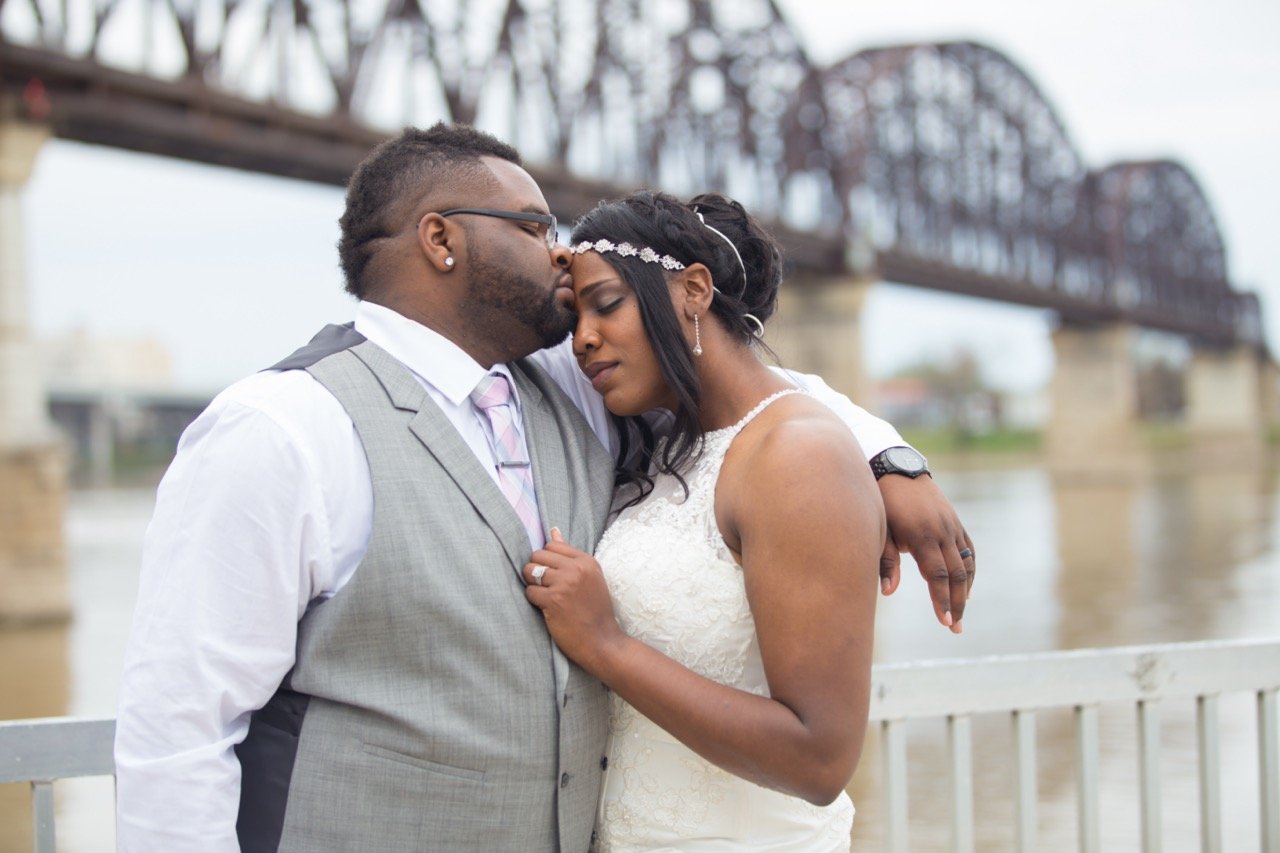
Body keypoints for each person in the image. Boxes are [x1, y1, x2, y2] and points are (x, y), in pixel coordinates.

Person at [113, 123, 973, 852]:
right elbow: (176, 735)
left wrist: (887, 456)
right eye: (533, 226)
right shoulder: (282, 428)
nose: (560, 253)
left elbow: (738, 384)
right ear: (442, 239)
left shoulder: (568, 387)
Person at [521, 191, 889, 850]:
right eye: (575, 315)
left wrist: (606, 644)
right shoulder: (670, 444)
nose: (582, 338)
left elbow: (821, 759)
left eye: (606, 304)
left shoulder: (799, 454)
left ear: (693, 290)